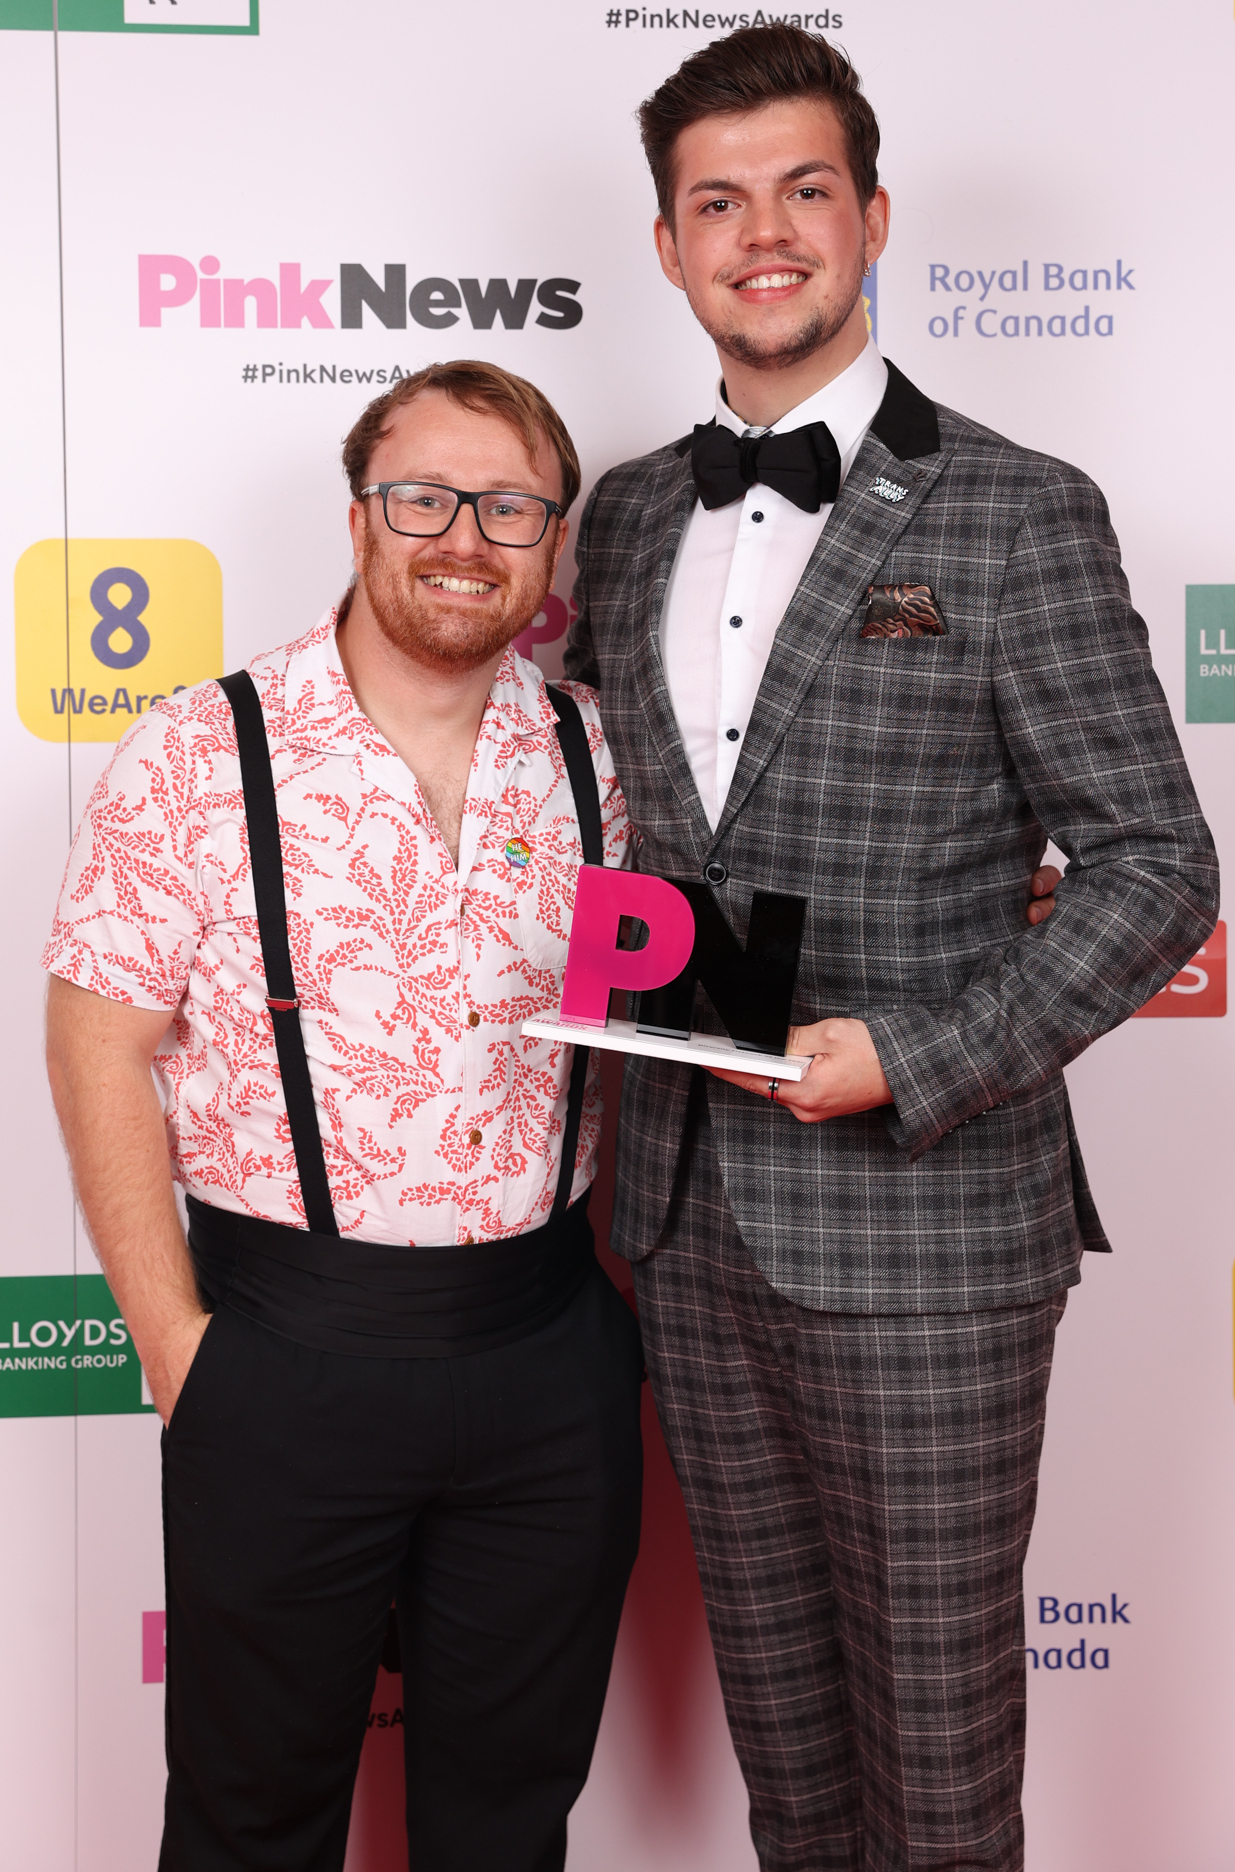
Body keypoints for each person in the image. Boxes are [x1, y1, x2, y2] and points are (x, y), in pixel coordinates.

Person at [563, 25, 1218, 1872]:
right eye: (718, 201)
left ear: (869, 218)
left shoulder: (1020, 509)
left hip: (928, 1235)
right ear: (670, 244)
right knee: (790, 1768)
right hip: (684, 1230)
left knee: (937, 1786)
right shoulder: (620, 516)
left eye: (802, 191)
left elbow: (1159, 868)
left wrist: (914, 1056)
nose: (762, 233)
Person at [43, 361, 646, 1872]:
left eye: (511, 506)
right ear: (362, 512)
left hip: (549, 1357)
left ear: (553, 537)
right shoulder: (200, 750)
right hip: (284, 1359)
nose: (465, 537)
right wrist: (182, 1356)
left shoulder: (600, 756)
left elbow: (690, 1003)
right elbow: (98, 1048)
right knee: (253, 1821)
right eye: (423, 496)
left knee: (509, 1825)